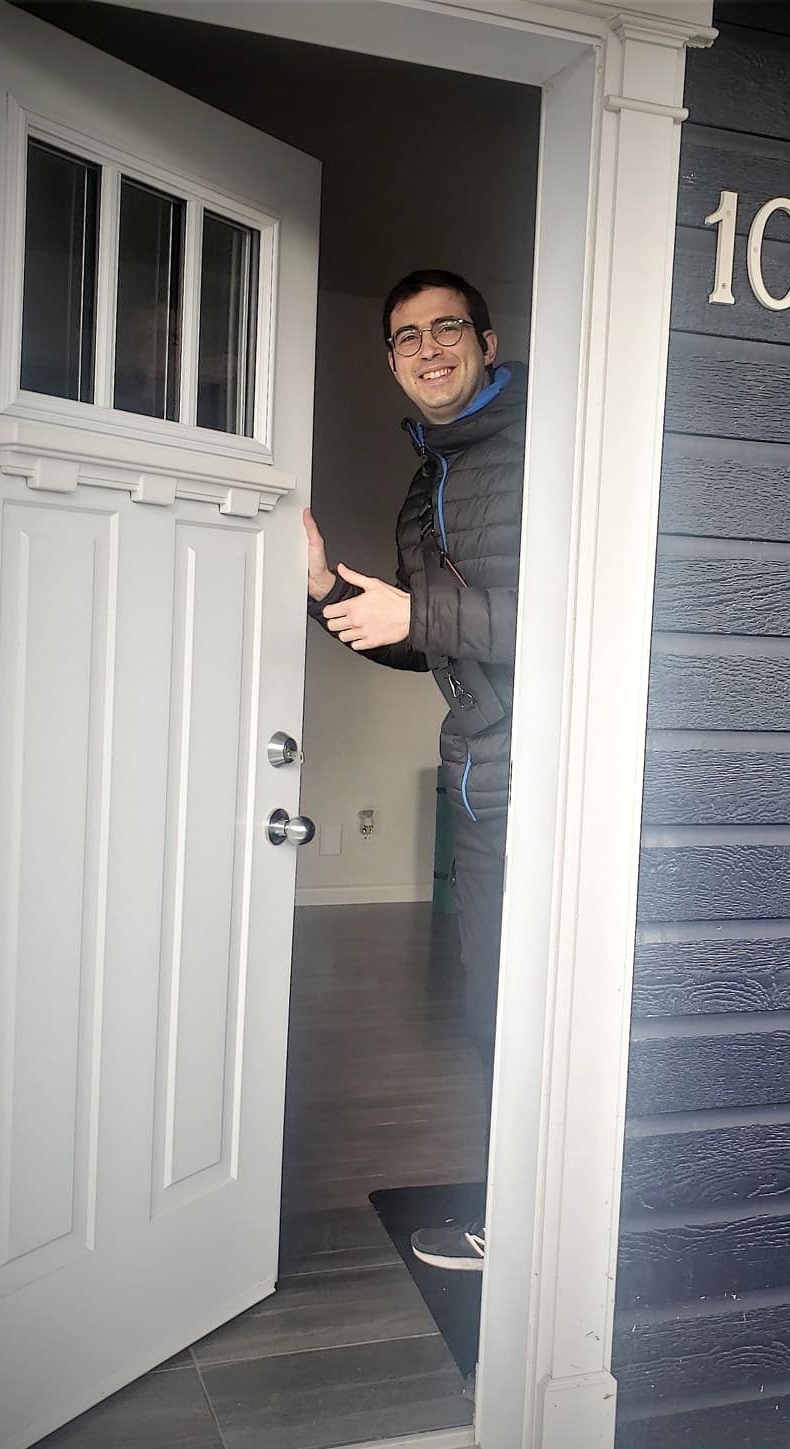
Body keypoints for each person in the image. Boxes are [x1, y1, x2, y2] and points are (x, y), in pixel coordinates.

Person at [305, 269, 523, 1273]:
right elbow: (426, 646)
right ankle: (518, 1220)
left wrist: (417, 612)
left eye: (446, 330)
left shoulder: (541, 450)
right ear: (390, 362)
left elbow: (587, 616)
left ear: (484, 340)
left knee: (535, 1015)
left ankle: (536, 1230)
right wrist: (328, 591)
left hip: (556, 781)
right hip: (479, 780)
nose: (428, 349)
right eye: (406, 339)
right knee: (492, 1012)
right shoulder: (428, 472)